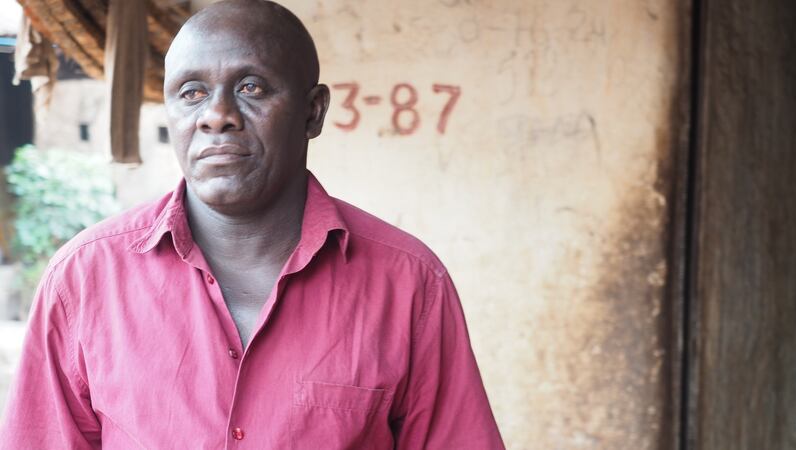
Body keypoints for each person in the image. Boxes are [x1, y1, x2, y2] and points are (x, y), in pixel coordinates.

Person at [0, 1, 505, 448]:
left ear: (313, 112)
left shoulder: (409, 283)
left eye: (251, 87)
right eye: (192, 92)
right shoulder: (84, 279)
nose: (217, 115)